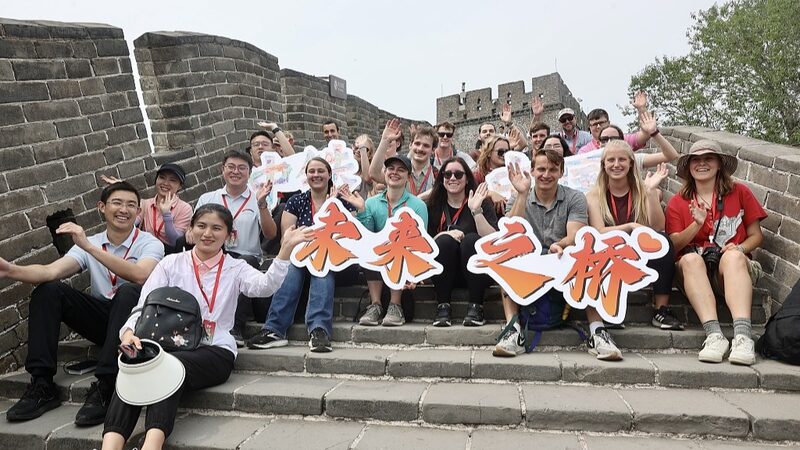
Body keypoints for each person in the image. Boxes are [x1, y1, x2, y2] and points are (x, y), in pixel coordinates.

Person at [101, 204, 310, 450]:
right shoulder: (171, 264)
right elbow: (143, 305)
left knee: (166, 367)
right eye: (201, 226)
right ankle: (110, 445)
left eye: (216, 228)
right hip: (170, 345)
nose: (208, 233)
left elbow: (264, 287)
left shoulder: (236, 267)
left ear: (230, 235)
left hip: (215, 350)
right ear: (190, 229)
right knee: (135, 366)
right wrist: (128, 333)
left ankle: (152, 445)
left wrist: (284, 252)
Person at [1, 182, 164, 425]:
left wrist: (88, 247)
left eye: (131, 205)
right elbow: (49, 271)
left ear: (138, 212)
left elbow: (140, 275)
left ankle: (108, 384)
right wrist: (10, 270)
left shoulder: (150, 243)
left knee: (129, 291)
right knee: (48, 290)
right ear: (102, 207)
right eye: (117, 203)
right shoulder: (92, 242)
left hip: (135, 325)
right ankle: (42, 384)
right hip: (103, 321)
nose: (124, 209)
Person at [497, 151, 623, 360]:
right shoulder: (518, 197)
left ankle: (598, 331)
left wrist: (560, 244)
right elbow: (512, 232)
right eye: (541, 169)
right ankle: (513, 330)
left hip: (562, 257)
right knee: (505, 259)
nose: (546, 175)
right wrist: (522, 194)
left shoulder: (575, 197)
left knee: (588, 256)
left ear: (561, 172)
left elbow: (575, 234)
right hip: (530, 260)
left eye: (553, 169)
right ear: (532, 171)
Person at [666, 140, 766, 366]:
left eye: (708, 158)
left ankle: (743, 337)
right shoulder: (678, 202)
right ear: (689, 167)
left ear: (719, 164)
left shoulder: (739, 192)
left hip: (733, 268)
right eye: (696, 160)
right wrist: (696, 225)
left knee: (733, 256)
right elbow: (674, 246)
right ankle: (714, 336)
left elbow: (756, 236)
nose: (702, 164)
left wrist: (740, 248)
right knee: (690, 259)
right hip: (694, 273)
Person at [246, 157, 357, 352]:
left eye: (320, 171)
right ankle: (274, 330)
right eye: (311, 171)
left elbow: (350, 237)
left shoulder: (342, 202)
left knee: (321, 266)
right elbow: (287, 239)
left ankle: (319, 329)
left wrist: (329, 208)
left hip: (334, 258)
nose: (316, 175)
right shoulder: (296, 201)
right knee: (292, 267)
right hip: (301, 256)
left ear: (329, 174)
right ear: (306, 176)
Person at [586, 140, 683, 331]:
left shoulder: (642, 190)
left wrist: (651, 192)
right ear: (603, 165)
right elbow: (598, 232)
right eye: (611, 160)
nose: (616, 164)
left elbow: (658, 227)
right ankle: (609, 307)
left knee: (664, 241)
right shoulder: (594, 195)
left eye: (622, 159)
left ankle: (661, 310)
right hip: (610, 253)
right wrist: (630, 226)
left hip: (639, 252)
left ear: (631, 163)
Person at [195, 150, 277, 344]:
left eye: (242, 168)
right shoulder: (208, 198)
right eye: (231, 167)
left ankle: (235, 328)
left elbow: (271, 234)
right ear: (222, 169)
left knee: (242, 264)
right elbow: (194, 230)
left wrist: (262, 205)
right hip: (213, 256)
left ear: (250, 172)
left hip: (246, 256)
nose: (236, 172)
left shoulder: (257, 198)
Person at [358, 124, 428, 327]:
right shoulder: (371, 202)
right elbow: (366, 234)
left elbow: (421, 241)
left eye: (401, 170)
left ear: (408, 177)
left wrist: (417, 272)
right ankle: (376, 304)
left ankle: (395, 305)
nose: (394, 173)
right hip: (379, 259)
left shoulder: (417, 205)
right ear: (385, 172)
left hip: (404, 261)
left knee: (400, 246)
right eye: (391, 169)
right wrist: (361, 211)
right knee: (371, 247)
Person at [426, 157, 498, 327]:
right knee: (444, 241)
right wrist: (444, 234)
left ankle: (476, 306)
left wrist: (476, 211)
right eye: (447, 174)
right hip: (445, 273)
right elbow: (425, 245)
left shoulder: (481, 202)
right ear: (442, 178)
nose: (452, 178)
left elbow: (493, 240)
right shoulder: (434, 205)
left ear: (467, 179)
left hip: (477, 273)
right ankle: (443, 307)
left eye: (458, 174)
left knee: (471, 240)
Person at [102, 164, 192, 254]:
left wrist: (166, 214)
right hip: (146, 250)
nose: (165, 183)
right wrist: (123, 188)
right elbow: (129, 224)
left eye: (172, 180)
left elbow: (175, 241)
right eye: (162, 177)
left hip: (169, 255)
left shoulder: (184, 208)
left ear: (180, 186)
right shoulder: (145, 204)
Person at [370, 119, 438, 200]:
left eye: (426, 146)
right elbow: (374, 173)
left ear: (433, 150)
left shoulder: (437, 175)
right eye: (417, 144)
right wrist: (385, 141)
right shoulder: (399, 170)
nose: (420, 149)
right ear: (410, 145)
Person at [577, 92, 650, 154]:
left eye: (601, 123)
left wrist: (641, 108)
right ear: (589, 127)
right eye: (594, 124)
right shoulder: (584, 152)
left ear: (608, 123)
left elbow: (645, 135)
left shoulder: (623, 140)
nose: (598, 126)